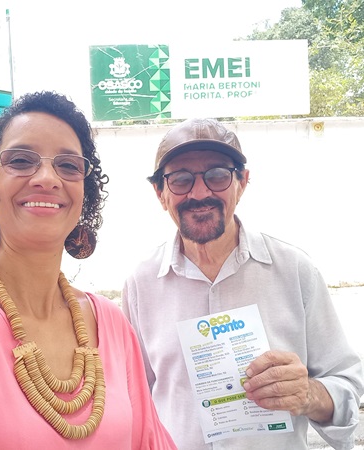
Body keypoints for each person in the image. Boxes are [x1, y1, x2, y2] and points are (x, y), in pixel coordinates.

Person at [0, 91, 176, 450]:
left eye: (68, 166)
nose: (47, 178)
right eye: (22, 160)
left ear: (83, 194)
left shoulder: (110, 324)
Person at [122, 118, 364, 450]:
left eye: (217, 175)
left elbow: (347, 384)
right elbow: (132, 400)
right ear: (160, 194)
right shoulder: (141, 284)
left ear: (242, 182)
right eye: (180, 180)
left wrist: (309, 394)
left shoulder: (295, 270)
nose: (200, 193)